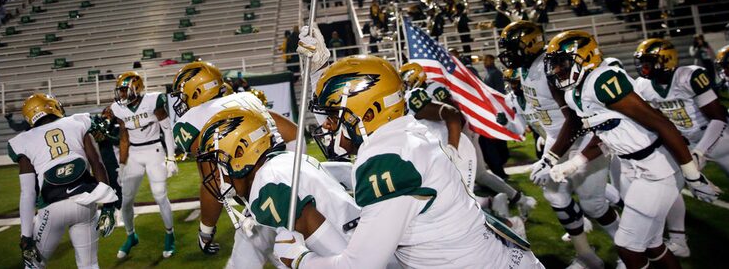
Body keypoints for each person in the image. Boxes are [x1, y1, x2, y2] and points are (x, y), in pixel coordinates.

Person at [272, 50, 544, 268]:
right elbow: (348, 128)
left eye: (333, 117)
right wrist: (320, 69)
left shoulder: (387, 162)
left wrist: (300, 259)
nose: (327, 127)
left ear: (369, 114)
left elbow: (361, 265)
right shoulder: (400, 132)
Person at [544, 30, 720, 269]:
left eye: (562, 63)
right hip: (631, 167)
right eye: (554, 65)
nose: (557, 71)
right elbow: (606, 132)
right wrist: (575, 163)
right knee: (652, 244)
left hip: (656, 169)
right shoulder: (576, 92)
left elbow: (661, 123)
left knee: (627, 246)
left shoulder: (602, 81)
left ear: (585, 57)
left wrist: (693, 176)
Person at [499, 21, 617, 269]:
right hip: (558, 137)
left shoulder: (548, 66)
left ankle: (631, 249)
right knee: (554, 193)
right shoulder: (525, 69)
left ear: (532, 44)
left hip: (582, 137)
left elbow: (574, 119)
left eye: (513, 48)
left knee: (592, 204)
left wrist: (550, 157)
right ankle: (586, 255)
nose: (508, 54)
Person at [196, 103, 360, 267]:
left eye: (216, 162)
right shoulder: (282, 163)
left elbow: (350, 264)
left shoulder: (269, 186)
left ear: (240, 153)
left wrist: (299, 261)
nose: (215, 175)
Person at [166, 61, 298, 257]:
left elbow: (214, 183)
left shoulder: (191, 121)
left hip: (262, 195)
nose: (181, 102)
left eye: (183, 96)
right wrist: (297, 170)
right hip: (290, 175)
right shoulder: (246, 98)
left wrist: (205, 230)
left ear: (197, 91)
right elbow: (293, 133)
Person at [632, 38, 729, 257]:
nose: (643, 67)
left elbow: (718, 118)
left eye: (649, 61)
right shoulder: (643, 86)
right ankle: (678, 241)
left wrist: (700, 153)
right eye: (641, 62)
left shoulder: (689, 76)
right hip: (685, 142)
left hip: (719, 138)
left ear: (666, 60)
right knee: (666, 182)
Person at [8, 94, 117, 268]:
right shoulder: (77, 122)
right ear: (53, 107)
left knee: (33, 265)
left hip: (52, 207)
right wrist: (109, 205)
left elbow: (28, 193)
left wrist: (26, 236)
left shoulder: (23, 141)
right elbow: (97, 164)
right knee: (89, 265)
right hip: (85, 203)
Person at [109, 71, 179, 259]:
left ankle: (169, 234)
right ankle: (131, 236)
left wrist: (171, 158)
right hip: (134, 155)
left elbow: (167, 129)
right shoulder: (118, 109)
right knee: (126, 200)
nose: (122, 95)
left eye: (125, 90)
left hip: (154, 151)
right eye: (120, 91)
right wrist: (122, 165)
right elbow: (124, 138)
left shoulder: (152, 101)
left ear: (136, 88)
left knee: (159, 195)